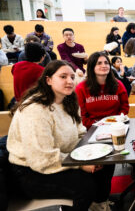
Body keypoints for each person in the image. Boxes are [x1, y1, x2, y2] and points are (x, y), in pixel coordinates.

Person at [7, 60, 115, 211]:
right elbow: (41, 158)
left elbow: (80, 132)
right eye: (63, 76)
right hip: (29, 172)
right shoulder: (35, 110)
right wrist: (80, 165)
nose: (70, 81)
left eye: (72, 76)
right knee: (85, 186)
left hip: (63, 157)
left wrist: (94, 150)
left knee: (106, 163)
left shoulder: (68, 101)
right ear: (48, 80)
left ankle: (98, 205)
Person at [75, 52, 129, 129]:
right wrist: (99, 126)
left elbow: (125, 107)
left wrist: (117, 122)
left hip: (116, 126)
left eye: (106, 63)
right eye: (99, 63)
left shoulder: (118, 84)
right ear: (92, 67)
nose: (104, 66)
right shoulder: (81, 88)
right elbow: (82, 115)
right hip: (91, 128)